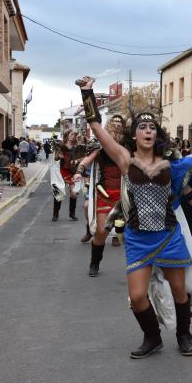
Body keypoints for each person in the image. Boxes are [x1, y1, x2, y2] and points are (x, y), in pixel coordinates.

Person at [76, 76, 192, 359]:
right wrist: (87, 92)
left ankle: (183, 334)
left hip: (169, 236)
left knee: (180, 291)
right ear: (135, 135)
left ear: (158, 135)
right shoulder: (124, 159)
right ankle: (152, 337)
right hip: (138, 238)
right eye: (142, 127)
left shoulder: (172, 166)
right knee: (138, 296)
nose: (147, 131)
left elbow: (188, 191)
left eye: (152, 127)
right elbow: (95, 126)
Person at [73, 115, 125, 276]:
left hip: (126, 196)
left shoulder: (129, 148)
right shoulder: (99, 147)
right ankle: (94, 263)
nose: (116, 129)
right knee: (102, 232)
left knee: (133, 234)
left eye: (119, 126)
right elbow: (85, 162)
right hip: (105, 194)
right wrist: (79, 173)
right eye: (113, 126)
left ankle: (141, 270)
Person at [52, 130, 80, 221]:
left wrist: (77, 161)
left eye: (74, 135)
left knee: (74, 193)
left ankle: (72, 213)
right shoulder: (61, 146)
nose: (73, 136)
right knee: (59, 193)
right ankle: (55, 214)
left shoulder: (76, 147)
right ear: (67, 136)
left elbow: (81, 158)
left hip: (72, 172)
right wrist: (59, 156)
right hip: (61, 172)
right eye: (71, 134)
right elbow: (55, 158)